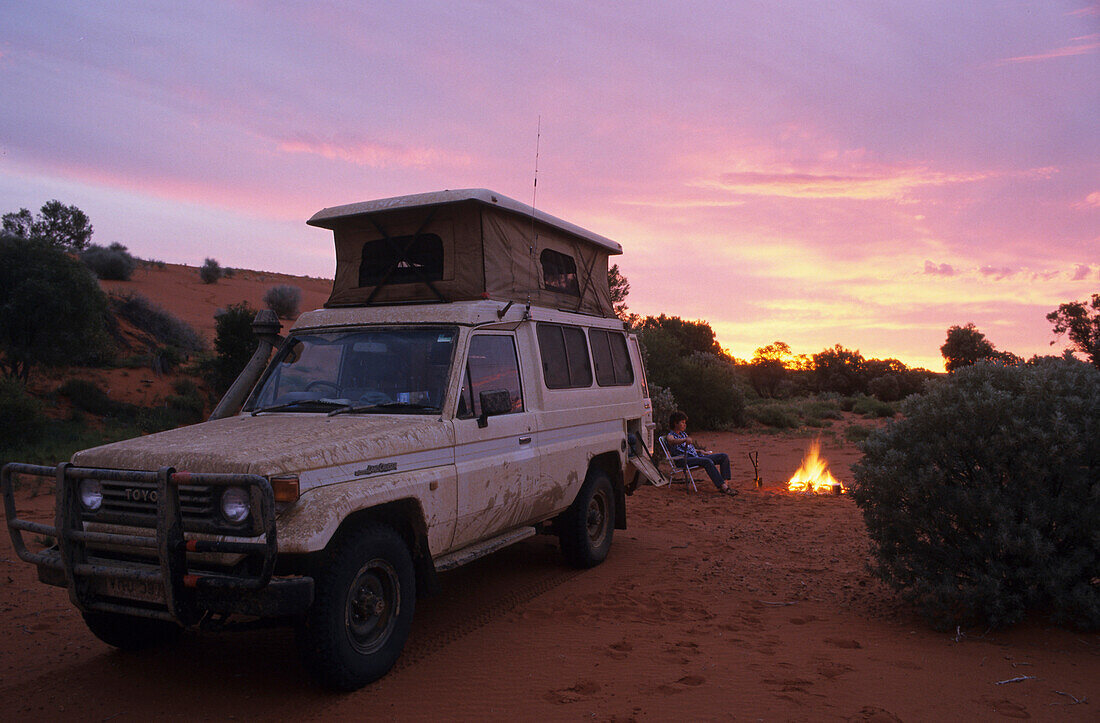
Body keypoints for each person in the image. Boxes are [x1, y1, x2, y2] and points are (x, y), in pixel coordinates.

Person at [664, 410, 737, 496]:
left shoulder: (683, 434)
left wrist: (699, 451)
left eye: (685, 422)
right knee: (707, 461)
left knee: (723, 456)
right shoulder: (671, 435)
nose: (685, 425)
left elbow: (689, 448)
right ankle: (723, 487)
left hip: (695, 457)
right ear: (675, 423)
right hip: (683, 460)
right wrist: (684, 440)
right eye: (682, 422)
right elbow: (671, 441)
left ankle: (725, 484)